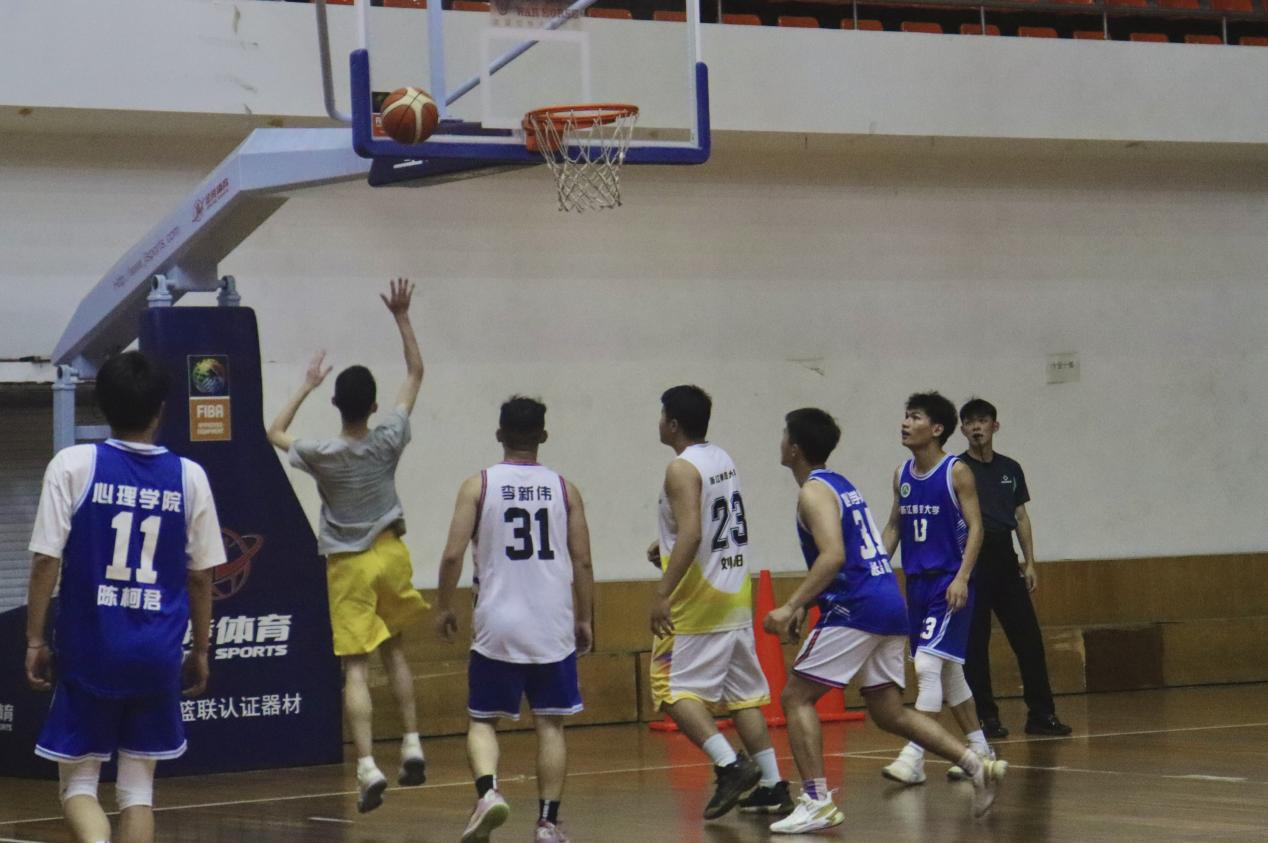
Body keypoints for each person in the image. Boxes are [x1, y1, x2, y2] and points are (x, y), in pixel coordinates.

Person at [764, 408, 1007, 832]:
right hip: (890, 602)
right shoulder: (840, 484)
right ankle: (976, 763)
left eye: (784, 435)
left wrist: (791, 604)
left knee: (796, 698)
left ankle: (817, 800)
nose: (781, 442)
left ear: (795, 447)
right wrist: (807, 602)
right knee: (889, 712)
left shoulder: (814, 493)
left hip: (857, 607)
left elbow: (834, 556)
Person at [25, 350, 222, 843]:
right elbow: (201, 577)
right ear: (161, 409)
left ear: (101, 406)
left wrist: (34, 640)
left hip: (90, 649)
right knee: (137, 792)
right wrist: (201, 650)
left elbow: (46, 560)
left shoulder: (73, 464)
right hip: (157, 653)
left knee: (78, 786)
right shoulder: (190, 476)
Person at [267, 278, 428, 813]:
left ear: (337, 403)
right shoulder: (389, 438)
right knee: (395, 650)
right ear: (375, 405)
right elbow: (416, 372)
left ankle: (367, 765)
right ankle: (412, 743)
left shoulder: (322, 453)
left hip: (349, 564)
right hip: (391, 553)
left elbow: (274, 431)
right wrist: (401, 317)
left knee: (356, 667)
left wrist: (306, 384)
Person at [435, 396, 595, 843]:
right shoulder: (565, 490)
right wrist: (585, 618)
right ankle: (547, 823)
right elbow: (582, 562)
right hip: (552, 624)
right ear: (543, 435)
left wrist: (443, 605)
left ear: (499, 434)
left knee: (483, 720)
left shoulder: (478, 486)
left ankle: (488, 793)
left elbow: (452, 555)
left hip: (498, 624)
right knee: (551, 724)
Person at [646, 385, 791, 821]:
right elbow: (706, 523)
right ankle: (773, 785)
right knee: (742, 696)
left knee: (669, 689)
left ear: (673, 424)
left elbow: (692, 533)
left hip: (698, 602)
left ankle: (729, 765)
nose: (659, 422)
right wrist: (666, 545)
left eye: (662, 416)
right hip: (735, 595)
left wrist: (662, 592)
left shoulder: (680, 467)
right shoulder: (720, 457)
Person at [880, 392, 995, 785]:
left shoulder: (956, 471)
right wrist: (877, 569)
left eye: (915, 417)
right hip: (916, 584)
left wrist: (962, 577)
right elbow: (894, 526)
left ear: (937, 429)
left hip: (949, 581)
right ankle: (980, 747)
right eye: (905, 416)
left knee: (927, 666)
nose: (905, 423)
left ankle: (913, 756)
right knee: (950, 672)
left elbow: (977, 528)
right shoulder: (902, 474)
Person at [959, 398, 1072, 738]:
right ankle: (986, 718)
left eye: (983, 421)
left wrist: (1030, 561)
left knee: (1029, 640)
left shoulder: (1010, 468)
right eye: (970, 422)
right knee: (975, 645)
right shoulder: (958, 469)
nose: (977, 427)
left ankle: (1041, 714)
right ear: (962, 429)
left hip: (1005, 560)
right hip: (973, 560)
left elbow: (1021, 516)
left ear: (995, 426)